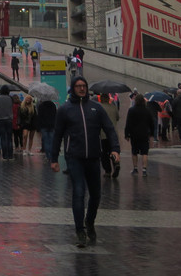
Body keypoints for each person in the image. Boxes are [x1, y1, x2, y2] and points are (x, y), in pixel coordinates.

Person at [49, 76, 120, 248]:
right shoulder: (65, 110)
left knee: (96, 195)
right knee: (79, 193)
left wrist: (115, 148)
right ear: (73, 88)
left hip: (94, 157)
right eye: (78, 86)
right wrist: (53, 158)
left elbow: (109, 128)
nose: (82, 89)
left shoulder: (96, 108)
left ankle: (89, 222)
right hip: (74, 157)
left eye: (84, 86)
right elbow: (57, 134)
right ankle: (79, 231)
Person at [124, 93, 155, 175]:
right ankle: (144, 169)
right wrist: (152, 133)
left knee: (134, 151)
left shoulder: (131, 110)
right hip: (144, 133)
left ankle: (135, 168)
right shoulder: (147, 110)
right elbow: (151, 123)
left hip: (134, 134)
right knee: (145, 152)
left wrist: (126, 134)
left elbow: (128, 123)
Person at [0, 85, 15, 160]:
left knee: (3, 138)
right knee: (9, 138)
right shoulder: (10, 98)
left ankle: (5, 155)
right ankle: (10, 155)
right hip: (9, 119)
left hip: (1, 119)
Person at [37, 95, 58, 162]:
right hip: (52, 126)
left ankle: (47, 156)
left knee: (46, 141)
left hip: (44, 126)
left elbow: (39, 117)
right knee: (51, 141)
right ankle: (52, 156)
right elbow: (55, 115)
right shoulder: (53, 105)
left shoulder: (41, 106)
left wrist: (39, 127)